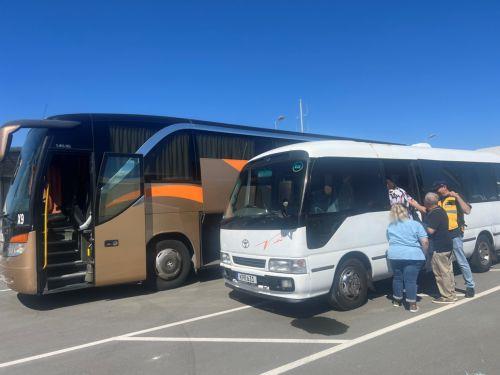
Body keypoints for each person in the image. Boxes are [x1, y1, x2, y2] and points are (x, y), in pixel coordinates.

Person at [433, 181, 475, 298]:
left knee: (461, 260)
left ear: (444, 187)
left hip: (455, 233)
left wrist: (457, 196)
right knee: (446, 263)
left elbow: (467, 210)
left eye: (438, 188)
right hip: (443, 235)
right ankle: (449, 287)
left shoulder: (455, 197)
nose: (437, 190)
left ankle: (470, 286)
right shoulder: (439, 201)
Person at [386, 204, 429, 312]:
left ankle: (397, 300)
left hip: (395, 255)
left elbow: (389, 240)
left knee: (397, 278)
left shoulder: (390, 226)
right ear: (406, 212)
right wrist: (424, 253)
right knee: (410, 280)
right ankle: (412, 304)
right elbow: (425, 241)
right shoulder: (415, 224)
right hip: (412, 255)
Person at [423, 192, 456, 304]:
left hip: (439, 246)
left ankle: (447, 296)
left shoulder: (434, 214)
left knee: (441, 272)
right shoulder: (440, 210)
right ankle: (451, 293)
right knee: (448, 271)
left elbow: (430, 231)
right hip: (447, 244)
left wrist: (422, 225)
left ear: (428, 203)